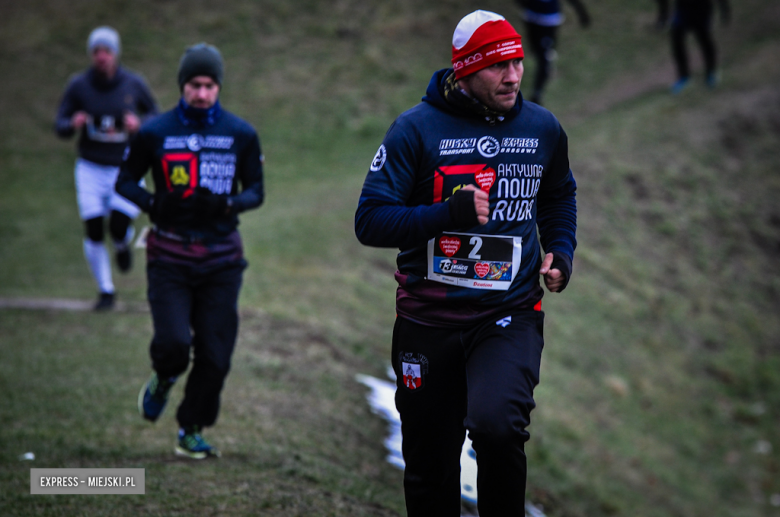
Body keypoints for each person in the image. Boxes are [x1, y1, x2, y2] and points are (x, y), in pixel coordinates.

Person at [355, 10, 577, 516]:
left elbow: (559, 195)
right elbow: (370, 221)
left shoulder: (542, 128)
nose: (514, 75)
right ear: (467, 71)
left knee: (498, 428)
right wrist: (447, 213)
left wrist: (561, 250)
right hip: (427, 322)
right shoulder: (416, 130)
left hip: (508, 314)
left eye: (518, 61)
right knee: (431, 468)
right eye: (499, 65)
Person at [116, 43, 264, 459]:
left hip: (221, 257)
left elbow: (257, 191)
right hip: (169, 255)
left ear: (218, 87)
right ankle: (164, 377)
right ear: (182, 86)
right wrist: (153, 204)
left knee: (216, 355)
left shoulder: (241, 134)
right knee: (174, 344)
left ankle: (191, 429)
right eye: (194, 85)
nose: (202, 93)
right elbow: (125, 180)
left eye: (209, 85)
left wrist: (230, 203)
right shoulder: (155, 132)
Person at [55, 26, 158, 310]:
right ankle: (106, 290)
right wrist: (71, 124)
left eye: (107, 51)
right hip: (89, 166)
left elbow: (154, 114)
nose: (102, 57)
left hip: (124, 164)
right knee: (93, 229)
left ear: (115, 54)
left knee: (117, 225)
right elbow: (59, 123)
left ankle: (123, 245)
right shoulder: (78, 85)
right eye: (97, 51)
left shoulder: (133, 84)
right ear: (91, 54)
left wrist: (140, 124)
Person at [515, 0, 590, 105]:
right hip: (531, 17)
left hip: (548, 20)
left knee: (543, 57)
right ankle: (546, 62)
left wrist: (582, 13)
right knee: (536, 52)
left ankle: (537, 93)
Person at [664, 0, 731, 94]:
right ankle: (684, 76)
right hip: (682, 8)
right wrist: (664, 15)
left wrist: (725, 10)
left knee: (703, 38)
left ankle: (711, 72)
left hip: (701, 8)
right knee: (677, 39)